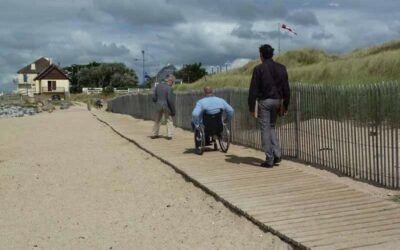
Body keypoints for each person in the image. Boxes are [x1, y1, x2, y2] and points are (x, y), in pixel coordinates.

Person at [248, 44, 290, 168]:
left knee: (265, 129)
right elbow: (287, 89)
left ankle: (269, 159)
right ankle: (277, 154)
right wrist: (285, 105)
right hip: (278, 101)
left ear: (261, 55)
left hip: (265, 102)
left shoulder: (258, 69)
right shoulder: (282, 68)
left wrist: (251, 107)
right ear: (272, 54)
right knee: (271, 127)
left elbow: (253, 90)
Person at [192, 87, 234, 152]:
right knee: (214, 122)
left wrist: (197, 126)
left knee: (193, 122)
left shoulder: (201, 102)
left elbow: (195, 114)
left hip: (206, 126)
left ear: (204, 93)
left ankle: (199, 143)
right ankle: (214, 139)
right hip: (218, 126)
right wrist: (226, 120)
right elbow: (231, 111)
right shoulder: (221, 100)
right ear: (212, 92)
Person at [151, 74, 176, 140]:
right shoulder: (169, 88)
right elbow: (170, 100)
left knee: (157, 120)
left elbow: (153, 97)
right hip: (166, 106)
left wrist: (157, 102)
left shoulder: (157, 86)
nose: (172, 83)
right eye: (172, 82)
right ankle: (169, 135)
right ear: (169, 81)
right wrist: (173, 110)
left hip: (158, 105)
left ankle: (154, 134)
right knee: (169, 120)